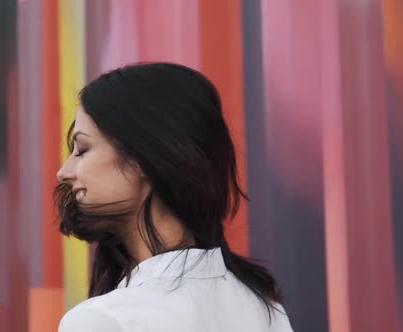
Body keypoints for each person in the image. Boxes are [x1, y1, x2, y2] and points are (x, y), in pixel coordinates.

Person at [55, 63, 293, 332]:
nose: (63, 173)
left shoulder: (102, 321)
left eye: (82, 149)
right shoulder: (264, 308)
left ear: (143, 158)